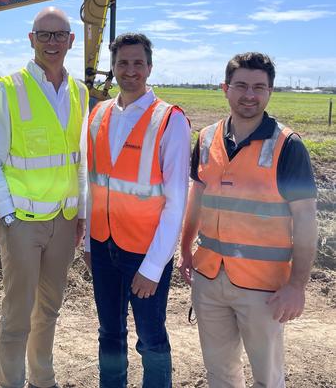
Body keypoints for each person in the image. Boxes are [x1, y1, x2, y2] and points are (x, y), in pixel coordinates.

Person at [178, 52, 318, 387]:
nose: (249, 95)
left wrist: (297, 286)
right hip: (209, 277)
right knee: (220, 372)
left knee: (267, 377)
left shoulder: (289, 146)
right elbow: (196, 199)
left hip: (265, 287)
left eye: (259, 87)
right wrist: (185, 252)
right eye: (240, 85)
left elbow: (306, 221)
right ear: (225, 88)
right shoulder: (207, 138)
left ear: (270, 92)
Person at [0, 6, 88, 388]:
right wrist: (8, 217)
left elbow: (78, 159)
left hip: (63, 220)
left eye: (59, 35)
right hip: (22, 222)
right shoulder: (8, 90)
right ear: (31, 40)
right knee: (17, 312)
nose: (52, 42)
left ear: (71, 41)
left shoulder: (79, 92)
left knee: (49, 308)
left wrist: (80, 211)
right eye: (44, 35)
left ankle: (42, 379)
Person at [85, 33, 190, 387]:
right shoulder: (98, 115)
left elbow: (177, 200)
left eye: (138, 63)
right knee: (109, 333)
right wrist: (88, 243)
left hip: (145, 251)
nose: (130, 70)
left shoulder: (170, 120)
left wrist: (154, 266)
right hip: (103, 245)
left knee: (151, 338)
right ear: (113, 69)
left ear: (149, 67)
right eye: (123, 63)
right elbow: (93, 185)